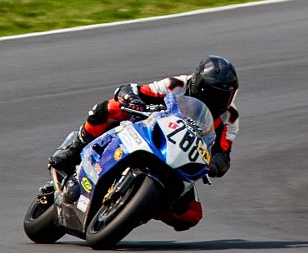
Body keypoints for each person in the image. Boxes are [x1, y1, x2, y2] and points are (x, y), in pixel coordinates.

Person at [46, 55, 240, 231]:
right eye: (216, 94)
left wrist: (216, 165)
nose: (221, 101)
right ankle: (75, 148)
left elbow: (224, 154)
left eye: (227, 96)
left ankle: (144, 206)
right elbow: (130, 89)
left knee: (191, 215)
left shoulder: (230, 117)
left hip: (180, 160)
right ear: (199, 85)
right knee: (112, 107)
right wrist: (133, 100)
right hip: (150, 132)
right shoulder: (177, 85)